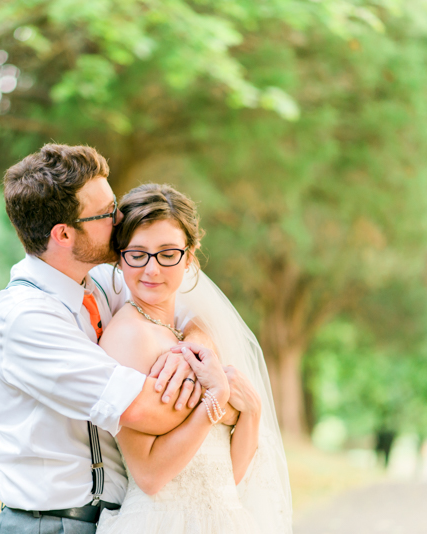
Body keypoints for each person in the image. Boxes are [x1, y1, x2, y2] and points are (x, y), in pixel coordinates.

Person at [0, 145, 231, 534]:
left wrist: (195, 347)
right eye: (105, 213)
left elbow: (177, 306)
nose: (120, 219)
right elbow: (146, 408)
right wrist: (221, 394)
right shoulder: (26, 319)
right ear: (63, 234)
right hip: (52, 525)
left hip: (114, 520)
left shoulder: (99, 282)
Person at [96, 184, 294, 534]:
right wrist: (214, 403)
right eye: (137, 254)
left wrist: (252, 412)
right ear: (119, 256)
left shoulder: (191, 335)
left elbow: (224, 479)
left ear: (189, 257)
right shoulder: (129, 337)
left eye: (167, 253)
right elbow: (150, 476)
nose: (152, 270)